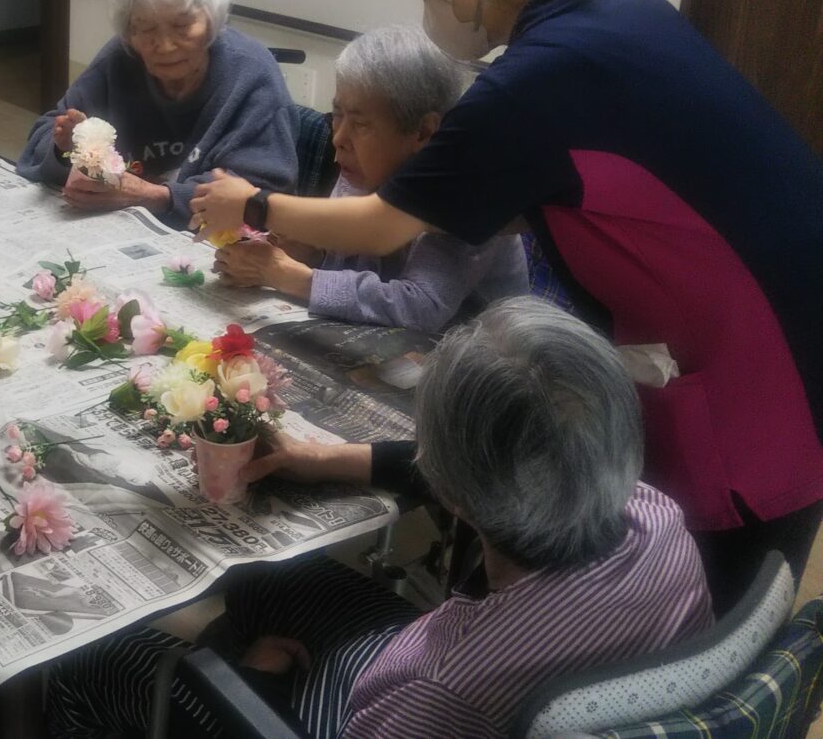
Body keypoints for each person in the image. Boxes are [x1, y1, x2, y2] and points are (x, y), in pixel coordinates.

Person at [188, 0, 823, 610]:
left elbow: (384, 222)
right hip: (793, 304)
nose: (429, 7)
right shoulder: (632, 16)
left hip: (756, 362)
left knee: (713, 612)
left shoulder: (530, 82)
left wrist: (255, 205)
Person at [46, 298, 712, 738]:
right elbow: (517, 462)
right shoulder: (656, 518)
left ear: (452, 491)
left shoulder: (437, 687)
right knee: (266, 578)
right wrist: (326, 459)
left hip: (369, 713)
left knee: (95, 659)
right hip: (548, 676)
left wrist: (257, 687)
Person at [213, 25, 527, 333]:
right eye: (337, 114)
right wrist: (310, 253)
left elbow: (420, 306)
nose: (339, 138)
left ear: (423, 132)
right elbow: (349, 267)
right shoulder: (361, 170)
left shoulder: (466, 186)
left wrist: (288, 275)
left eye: (361, 124)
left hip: (481, 351)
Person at [17, 0, 299, 227]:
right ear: (129, 31)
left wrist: (153, 196)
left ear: (212, 19)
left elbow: (262, 196)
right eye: (146, 28)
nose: (164, 46)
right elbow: (40, 140)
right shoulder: (119, 59)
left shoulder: (252, 74)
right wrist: (66, 149)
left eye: (182, 25)